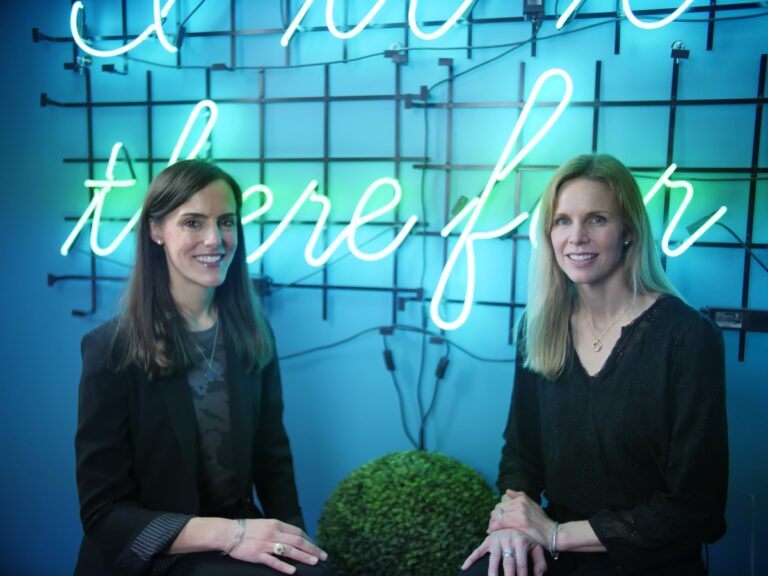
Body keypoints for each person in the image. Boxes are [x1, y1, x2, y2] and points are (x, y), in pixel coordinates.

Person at [460, 154, 728, 576]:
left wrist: (555, 534)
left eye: (597, 219)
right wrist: (512, 524)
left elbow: (697, 508)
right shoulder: (538, 327)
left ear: (629, 232)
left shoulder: (688, 337)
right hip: (554, 554)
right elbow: (521, 454)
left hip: (650, 561)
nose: (576, 237)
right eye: (562, 221)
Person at [74, 160, 335, 576]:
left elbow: (273, 461)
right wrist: (232, 534)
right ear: (155, 230)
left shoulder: (253, 334)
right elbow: (103, 514)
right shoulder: (111, 348)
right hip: (156, 557)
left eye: (226, 222)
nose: (215, 239)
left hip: (238, 543)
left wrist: (295, 545)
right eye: (193, 222)